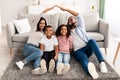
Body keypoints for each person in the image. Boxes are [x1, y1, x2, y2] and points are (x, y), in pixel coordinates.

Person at [57, 5, 107, 79]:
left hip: (87, 48)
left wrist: (66, 9)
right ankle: (90, 71)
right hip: (77, 51)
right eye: (69, 20)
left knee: (92, 41)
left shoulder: (80, 27)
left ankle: (102, 62)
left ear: (76, 21)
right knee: (84, 60)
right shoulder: (66, 31)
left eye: (72, 19)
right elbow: (57, 32)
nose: (70, 21)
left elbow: (78, 15)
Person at [15, 6, 56, 74]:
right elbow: (39, 16)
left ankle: (36, 68)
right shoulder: (34, 29)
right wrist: (48, 9)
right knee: (40, 52)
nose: (42, 24)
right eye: (41, 23)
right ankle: (22, 62)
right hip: (28, 48)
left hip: (35, 50)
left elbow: (52, 33)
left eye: (43, 23)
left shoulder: (44, 33)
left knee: (39, 56)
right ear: (38, 23)